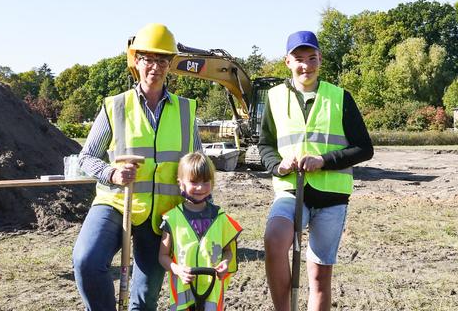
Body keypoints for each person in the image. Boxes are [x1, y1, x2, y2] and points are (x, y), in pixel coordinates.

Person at [73, 23, 202, 311]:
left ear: (170, 64)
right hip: (116, 203)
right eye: (148, 59)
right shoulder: (115, 106)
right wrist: (111, 173)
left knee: (145, 299)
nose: (155, 67)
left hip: (163, 214)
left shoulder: (185, 110)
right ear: (136, 61)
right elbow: (87, 156)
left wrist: (201, 211)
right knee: (87, 262)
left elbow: (197, 167)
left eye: (162, 60)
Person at [258, 30, 374, 311]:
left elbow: (364, 148)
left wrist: (324, 160)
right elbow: (265, 146)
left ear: (320, 59)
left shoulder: (340, 97)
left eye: (311, 58)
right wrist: (278, 164)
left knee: (319, 275)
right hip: (290, 190)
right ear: (287, 61)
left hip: (331, 197)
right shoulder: (273, 98)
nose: (305, 66)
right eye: (299, 59)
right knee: (274, 241)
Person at [159, 151, 242, 311]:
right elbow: (162, 256)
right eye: (194, 182)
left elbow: (228, 252)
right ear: (181, 183)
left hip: (212, 292)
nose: (200, 187)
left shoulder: (220, 217)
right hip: (184, 293)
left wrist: (225, 263)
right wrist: (177, 269)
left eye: (206, 182)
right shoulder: (172, 218)